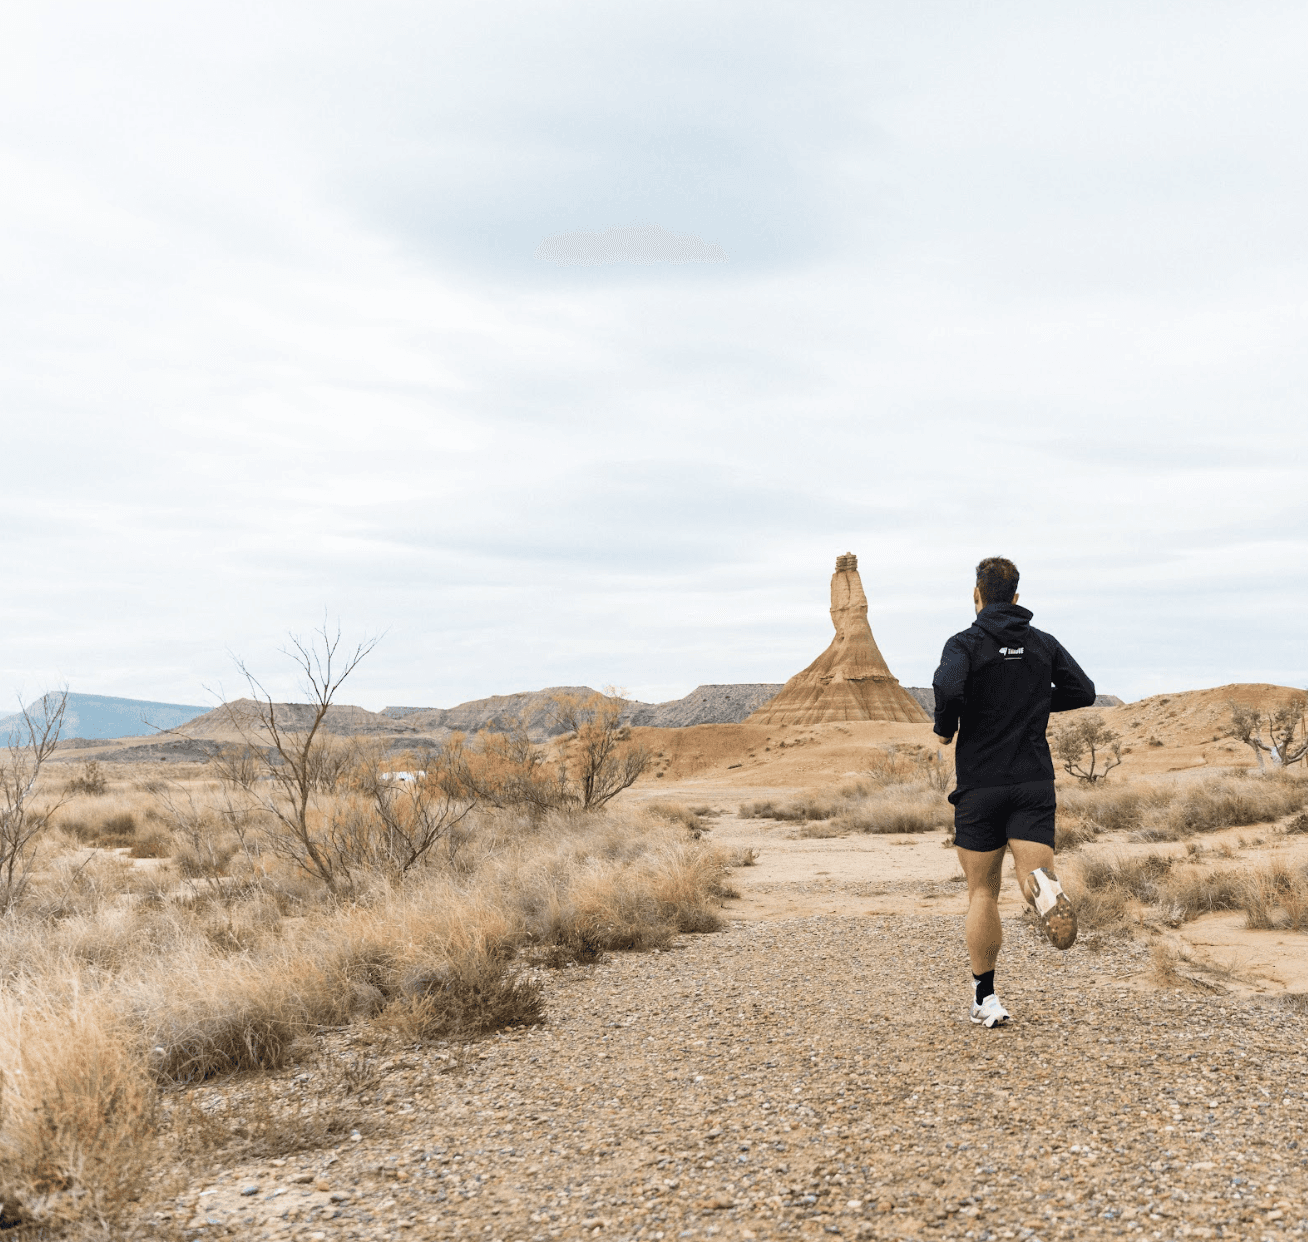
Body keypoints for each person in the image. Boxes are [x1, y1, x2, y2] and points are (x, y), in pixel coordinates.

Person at [931, 557, 1096, 1027]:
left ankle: (986, 998)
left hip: (981, 785)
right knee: (1034, 870)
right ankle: (1041, 888)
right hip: (1032, 783)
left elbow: (946, 683)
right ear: (1017, 598)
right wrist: (1037, 699)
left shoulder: (965, 642)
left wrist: (947, 726)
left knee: (982, 892)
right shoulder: (1042, 643)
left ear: (977, 596)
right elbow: (1083, 690)